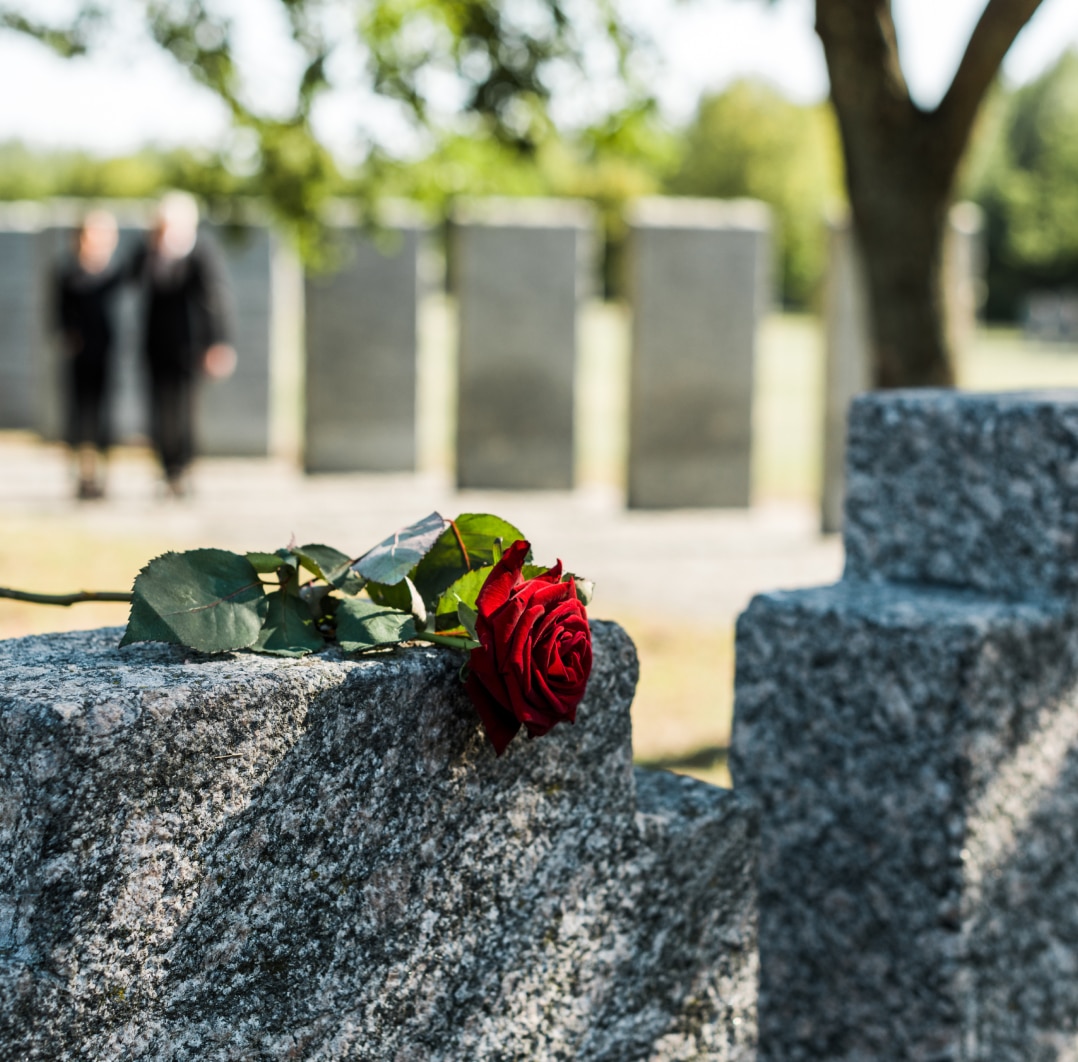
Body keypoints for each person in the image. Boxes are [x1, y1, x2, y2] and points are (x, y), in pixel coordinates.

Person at [131, 192, 236, 497]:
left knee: (186, 411)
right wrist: (151, 250)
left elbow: (216, 299)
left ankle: (184, 469)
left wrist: (219, 342)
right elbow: (130, 278)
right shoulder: (148, 252)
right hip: (155, 345)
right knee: (157, 411)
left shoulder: (201, 252)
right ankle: (165, 469)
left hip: (190, 346)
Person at [54, 210, 124, 500]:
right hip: (79, 356)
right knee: (79, 415)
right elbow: (58, 315)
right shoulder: (68, 273)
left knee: (104, 416)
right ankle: (82, 474)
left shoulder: (114, 274)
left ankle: (103, 474)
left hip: (107, 354)